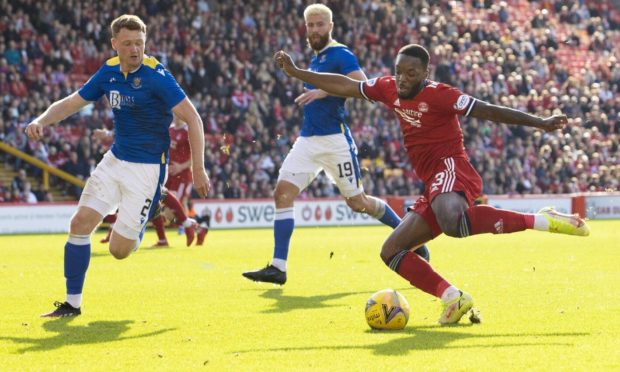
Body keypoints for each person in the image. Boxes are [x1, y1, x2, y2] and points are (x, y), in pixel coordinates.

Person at [273, 43, 589, 324]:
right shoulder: (387, 88)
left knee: (453, 223)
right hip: (432, 184)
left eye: (411, 73)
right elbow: (345, 84)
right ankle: (453, 297)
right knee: (392, 251)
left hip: (451, 167)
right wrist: (299, 71)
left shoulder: (441, 94)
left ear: (426, 72)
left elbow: (488, 111)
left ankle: (542, 220)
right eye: (399, 72)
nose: (403, 79)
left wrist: (539, 122)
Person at [26, 14, 210, 317]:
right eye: (127, 44)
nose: (135, 49)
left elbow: (193, 118)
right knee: (79, 224)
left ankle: (145, 217)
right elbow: (74, 101)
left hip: (147, 169)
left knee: (118, 251)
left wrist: (198, 169)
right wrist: (41, 119)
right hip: (115, 160)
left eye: (139, 43)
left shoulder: (157, 76)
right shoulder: (108, 71)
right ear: (115, 45)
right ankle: (72, 303)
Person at [242, 4, 430, 286]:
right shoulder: (316, 58)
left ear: (330, 26)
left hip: (335, 140)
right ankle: (278, 267)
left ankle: (409, 234)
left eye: (320, 24)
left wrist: (322, 90)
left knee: (358, 202)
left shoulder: (340, 54)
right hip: (307, 139)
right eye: (311, 25)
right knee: (282, 193)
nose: (315, 29)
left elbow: (363, 85)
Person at [93, 128, 197, 247]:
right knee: (152, 198)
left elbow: (134, 127)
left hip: (151, 159)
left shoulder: (158, 122)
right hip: (143, 158)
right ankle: (174, 232)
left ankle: (188, 225)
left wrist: (108, 134)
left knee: (157, 198)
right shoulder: (165, 126)